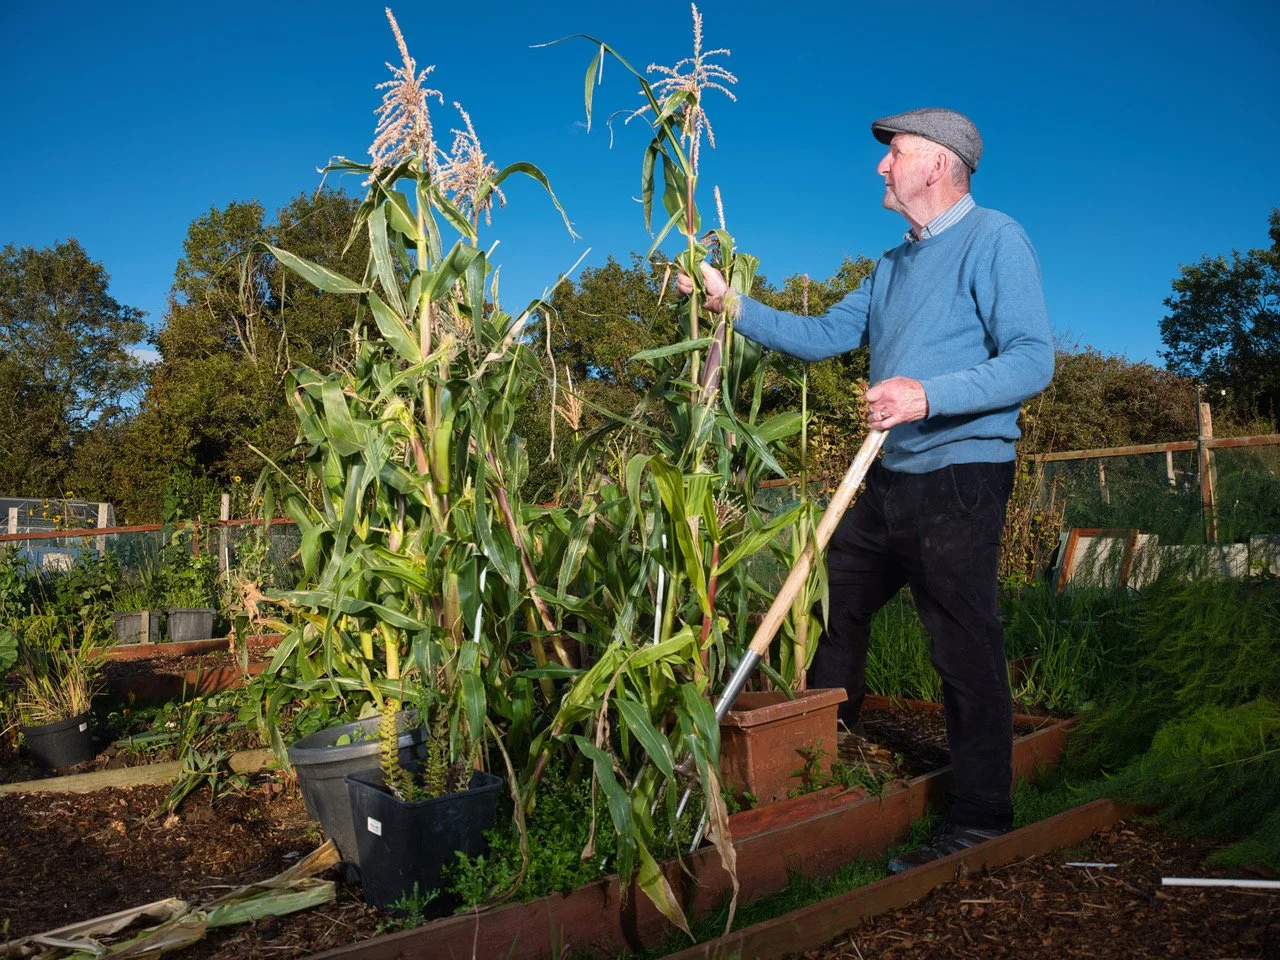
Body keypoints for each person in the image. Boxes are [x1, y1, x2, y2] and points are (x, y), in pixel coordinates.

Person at [677, 107, 1054, 871]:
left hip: (961, 473)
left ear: (939, 165)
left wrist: (926, 395)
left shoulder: (995, 239)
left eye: (897, 154)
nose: (881, 167)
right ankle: (823, 765)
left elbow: (1031, 359)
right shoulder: (889, 266)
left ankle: (983, 814)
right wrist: (730, 306)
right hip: (888, 478)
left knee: (960, 639)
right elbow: (822, 337)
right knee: (828, 606)